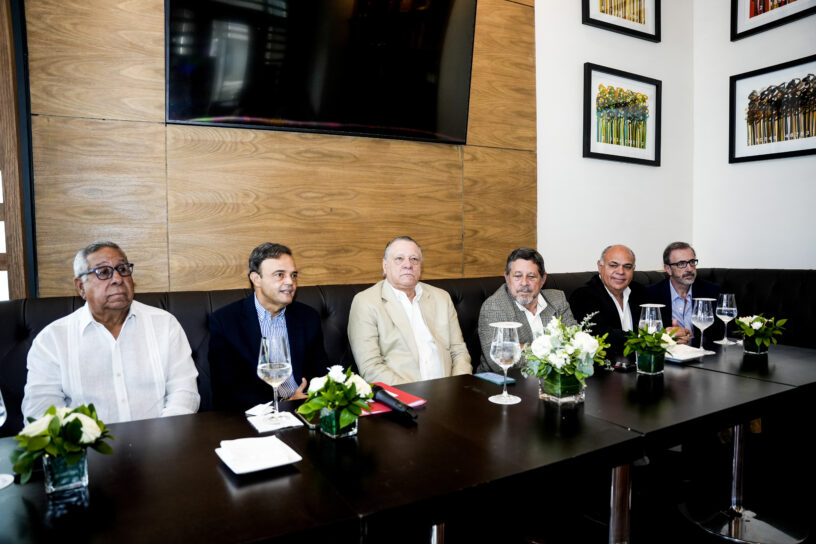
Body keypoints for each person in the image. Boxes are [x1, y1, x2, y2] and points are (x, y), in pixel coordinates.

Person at [22, 241, 200, 423]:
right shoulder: (52, 340)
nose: (117, 279)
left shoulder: (164, 324)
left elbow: (184, 393)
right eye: (103, 272)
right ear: (81, 286)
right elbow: (40, 413)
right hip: (87, 441)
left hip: (161, 438)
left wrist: (165, 435)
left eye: (122, 269)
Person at [208, 243, 327, 412]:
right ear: (256, 279)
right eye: (280, 275)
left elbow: (321, 373)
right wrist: (282, 405)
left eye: (293, 275)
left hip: (304, 409)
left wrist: (307, 399)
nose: (290, 282)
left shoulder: (308, 317)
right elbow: (226, 390)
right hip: (253, 415)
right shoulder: (225, 321)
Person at [348, 236, 471, 385]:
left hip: (449, 390)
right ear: (385, 265)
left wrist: (458, 387)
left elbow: (459, 352)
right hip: (403, 394)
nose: (408, 265)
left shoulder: (441, 298)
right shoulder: (366, 302)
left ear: (420, 266)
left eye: (414, 259)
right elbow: (371, 368)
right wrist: (411, 395)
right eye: (399, 258)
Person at [476, 248, 577, 373]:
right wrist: (555, 349)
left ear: (543, 279)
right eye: (517, 276)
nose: (524, 283)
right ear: (507, 278)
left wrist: (523, 348)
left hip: (553, 378)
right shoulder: (495, 307)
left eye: (531, 276)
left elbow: (575, 343)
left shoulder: (557, 300)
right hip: (504, 381)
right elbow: (501, 361)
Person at [569, 244, 647, 365]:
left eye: (627, 267)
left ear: (633, 269)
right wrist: (646, 339)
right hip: (605, 369)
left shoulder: (640, 291)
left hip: (640, 364)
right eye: (613, 265)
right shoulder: (584, 295)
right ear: (600, 266)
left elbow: (657, 325)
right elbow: (602, 335)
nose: (621, 272)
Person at [646, 241, 721, 347]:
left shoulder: (711, 291)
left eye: (692, 262)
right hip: (669, 351)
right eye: (681, 264)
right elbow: (646, 333)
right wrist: (667, 337)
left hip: (702, 352)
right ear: (668, 269)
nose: (689, 269)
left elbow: (723, 332)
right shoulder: (651, 294)